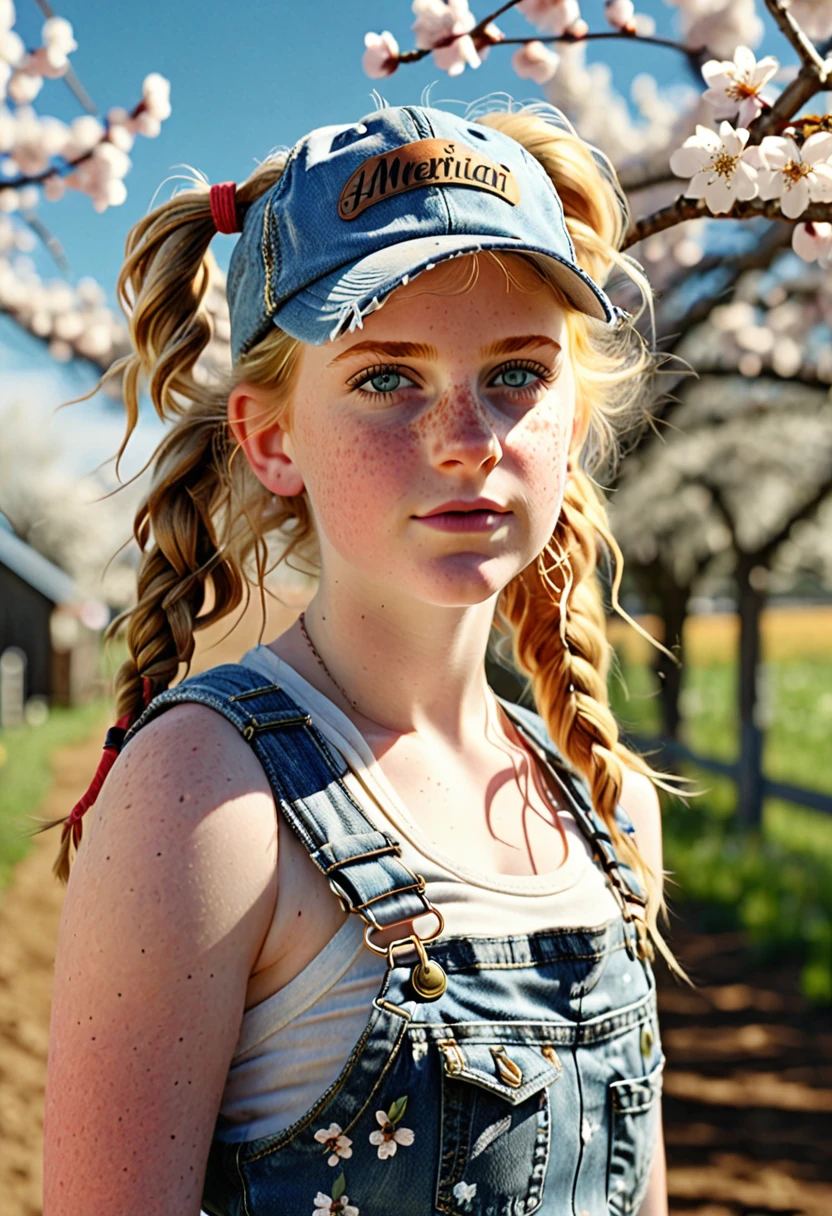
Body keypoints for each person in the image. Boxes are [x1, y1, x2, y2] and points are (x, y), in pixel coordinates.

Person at [40, 100, 690, 1216]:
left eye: (517, 373)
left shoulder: (604, 798)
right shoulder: (208, 797)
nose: (466, 437)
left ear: (573, 414)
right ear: (271, 436)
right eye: (388, 378)